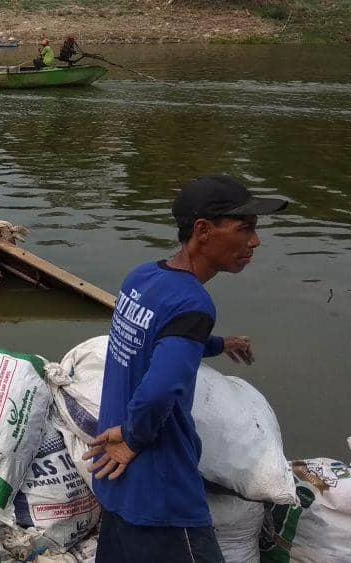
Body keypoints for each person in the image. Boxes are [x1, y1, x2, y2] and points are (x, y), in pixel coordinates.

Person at [84, 175, 288, 562]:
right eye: (245, 228)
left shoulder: (142, 278)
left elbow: (153, 340)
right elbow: (159, 390)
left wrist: (216, 343)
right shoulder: (193, 303)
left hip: (114, 479)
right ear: (203, 231)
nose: (255, 241)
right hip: (161, 491)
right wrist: (132, 437)